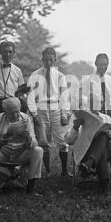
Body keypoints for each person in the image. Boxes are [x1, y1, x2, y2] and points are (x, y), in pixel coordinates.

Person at [27, 47, 71, 177]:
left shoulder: (60, 76)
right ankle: (48, 171)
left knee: (62, 141)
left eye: (51, 60)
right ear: (42, 60)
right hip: (41, 109)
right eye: (46, 60)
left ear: (55, 59)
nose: (48, 63)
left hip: (56, 108)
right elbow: (31, 96)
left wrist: (64, 113)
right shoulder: (35, 75)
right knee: (43, 141)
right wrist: (34, 113)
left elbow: (64, 96)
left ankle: (64, 171)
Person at [0, 97, 43, 194]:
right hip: (3, 154)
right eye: (12, 113)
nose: (16, 115)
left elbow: (34, 141)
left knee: (38, 150)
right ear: (5, 111)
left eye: (18, 111)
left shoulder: (25, 118)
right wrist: (0, 142)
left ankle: (31, 186)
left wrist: (29, 140)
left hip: (20, 154)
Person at [80, 53, 111, 179]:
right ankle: (99, 171)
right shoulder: (88, 80)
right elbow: (81, 98)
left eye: (105, 65)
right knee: (100, 138)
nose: (103, 67)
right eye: (101, 65)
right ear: (95, 64)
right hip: (94, 115)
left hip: (109, 114)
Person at [65, 108, 111, 193]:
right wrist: (75, 127)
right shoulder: (78, 117)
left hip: (104, 150)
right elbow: (68, 140)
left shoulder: (107, 118)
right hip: (85, 151)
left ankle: (89, 164)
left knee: (103, 136)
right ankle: (105, 184)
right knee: (101, 150)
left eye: (99, 102)